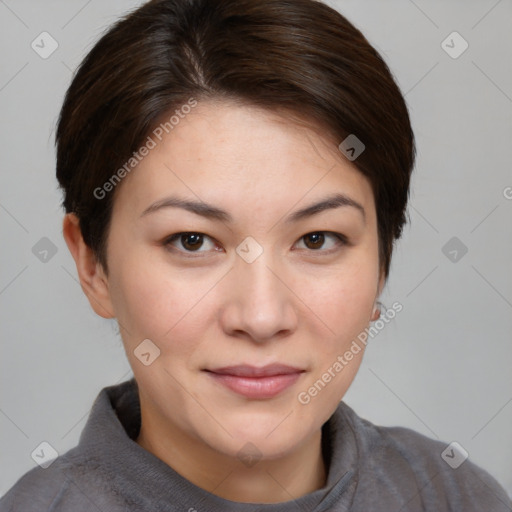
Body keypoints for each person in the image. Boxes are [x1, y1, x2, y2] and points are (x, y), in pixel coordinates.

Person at [1, 0, 510, 510]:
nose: (262, 317)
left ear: (382, 262)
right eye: (192, 241)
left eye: (317, 240)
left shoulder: (457, 496)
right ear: (93, 266)